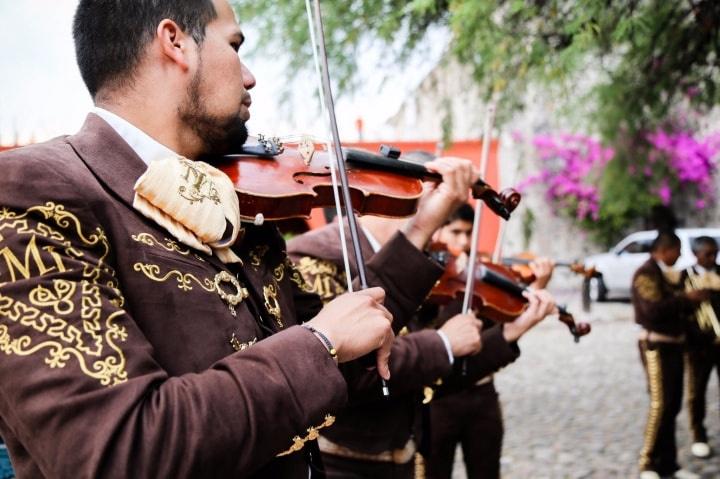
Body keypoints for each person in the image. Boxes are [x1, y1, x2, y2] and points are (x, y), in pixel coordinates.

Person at [0, 1, 476, 477]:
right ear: (175, 42)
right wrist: (322, 341)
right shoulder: (30, 194)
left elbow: (355, 345)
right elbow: (118, 450)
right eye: (234, 45)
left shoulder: (235, 205)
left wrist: (418, 228)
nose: (249, 77)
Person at [287, 202, 557, 478]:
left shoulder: (420, 263)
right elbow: (349, 372)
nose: (443, 238)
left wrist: (510, 332)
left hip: (405, 456)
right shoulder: (317, 259)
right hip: (342, 464)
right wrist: (442, 343)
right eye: (438, 220)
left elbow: (431, 374)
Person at [423, 203, 556, 479]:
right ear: (438, 229)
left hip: (482, 392)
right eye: (456, 232)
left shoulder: (482, 271)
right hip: (438, 399)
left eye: (469, 233)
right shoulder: (424, 276)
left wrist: (536, 289)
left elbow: (505, 319)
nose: (464, 241)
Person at [632, 231, 709, 479]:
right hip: (656, 347)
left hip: (674, 346)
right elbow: (653, 311)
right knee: (660, 405)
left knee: (673, 406)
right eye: (677, 251)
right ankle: (647, 462)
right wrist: (686, 299)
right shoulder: (646, 273)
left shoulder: (663, 273)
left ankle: (669, 464)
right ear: (665, 250)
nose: (679, 256)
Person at [680, 236, 720, 459]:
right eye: (708, 254)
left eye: (715, 253)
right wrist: (690, 299)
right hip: (697, 346)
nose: (713, 258)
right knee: (696, 393)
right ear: (696, 254)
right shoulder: (684, 277)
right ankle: (698, 435)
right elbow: (679, 311)